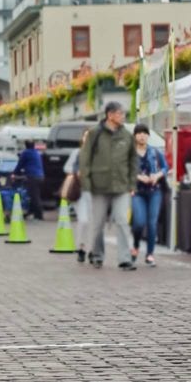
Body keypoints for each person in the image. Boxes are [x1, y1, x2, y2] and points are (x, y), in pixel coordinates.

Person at [79, 101, 137, 270]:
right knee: (97, 224)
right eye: (120, 113)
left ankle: (125, 258)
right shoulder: (94, 134)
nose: (123, 116)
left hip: (122, 186)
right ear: (110, 115)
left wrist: (132, 183)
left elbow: (134, 161)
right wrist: (87, 183)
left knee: (122, 221)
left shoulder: (127, 135)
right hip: (99, 186)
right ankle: (97, 255)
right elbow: (85, 159)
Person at [131, 123, 168, 266]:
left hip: (154, 191)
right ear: (135, 136)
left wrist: (157, 175)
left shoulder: (155, 152)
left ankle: (150, 254)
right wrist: (139, 177)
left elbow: (165, 167)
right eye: (139, 133)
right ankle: (135, 245)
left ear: (148, 135)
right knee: (139, 222)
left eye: (144, 133)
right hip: (137, 191)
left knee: (152, 223)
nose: (142, 136)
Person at [63, 128, 91, 262]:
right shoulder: (77, 153)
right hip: (80, 192)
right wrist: (77, 172)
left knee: (94, 222)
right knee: (83, 220)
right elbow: (67, 167)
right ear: (82, 139)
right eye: (86, 136)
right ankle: (81, 247)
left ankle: (92, 249)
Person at [15, 138, 45, 220]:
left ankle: (39, 215)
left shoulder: (26, 153)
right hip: (40, 176)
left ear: (26, 145)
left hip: (32, 177)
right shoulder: (37, 153)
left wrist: (14, 173)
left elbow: (20, 164)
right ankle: (30, 212)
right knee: (33, 194)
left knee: (34, 196)